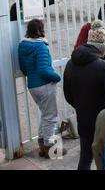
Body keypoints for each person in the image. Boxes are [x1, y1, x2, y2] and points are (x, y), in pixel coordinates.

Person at [63, 20, 105, 170]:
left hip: (84, 120)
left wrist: (81, 106)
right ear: (103, 47)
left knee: (85, 159)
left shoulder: (70, 63)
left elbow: (68, 95)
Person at [18, 19, 66, 158]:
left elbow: (23, 68)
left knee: (45, 115)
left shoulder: (22, 45)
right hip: (44, 86)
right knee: (51, 116)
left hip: (33, 86)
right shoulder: (41, 46)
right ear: (41, 29)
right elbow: (44, 70)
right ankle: (50, 150)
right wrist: (57, 77)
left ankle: (42, 144)